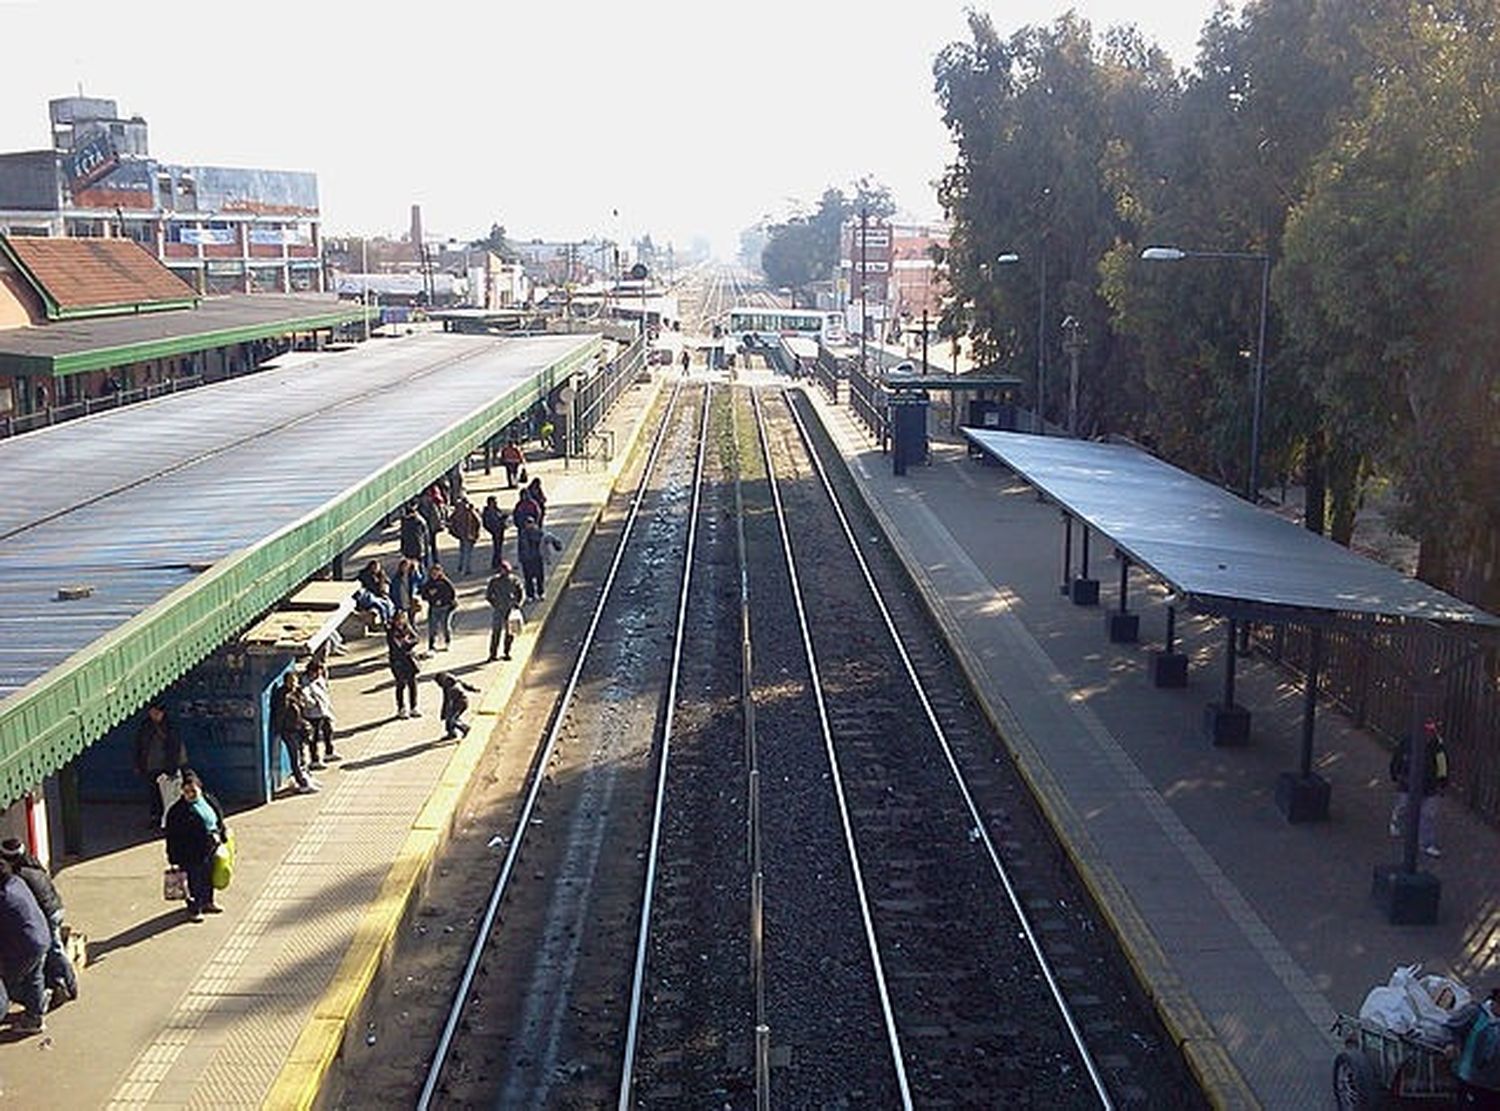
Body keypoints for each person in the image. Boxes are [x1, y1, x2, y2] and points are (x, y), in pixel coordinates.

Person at [0, 839, 76, 1004]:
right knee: (53, 952)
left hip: (47, 915)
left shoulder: (19, 877)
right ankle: (63, 984)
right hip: (55, 908)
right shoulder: (33, 865)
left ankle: (66, 984)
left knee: (53, 952)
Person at [163, 768, 228, 922]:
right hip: (191, 852)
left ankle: (208, 902)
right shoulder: (178, 811)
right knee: (194, 880)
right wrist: (172, 857)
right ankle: (194, 909)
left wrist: (222, 833)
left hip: (211, 846)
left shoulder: (208, 799)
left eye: (193, 791)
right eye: (186, 792)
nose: (190, 794)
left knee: (208, 876)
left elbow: (218, 817)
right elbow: (172, 836)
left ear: (199, 788)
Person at [0, 855, 51, 1032]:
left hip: (26, 946)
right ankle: (35, 1015)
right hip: (41, 936)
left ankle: (33, 1005)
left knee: (8, 983)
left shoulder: (4, 897)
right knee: (33, 978)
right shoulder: (16, 882)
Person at [1390, 718, 1449, 857]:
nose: (1429, 736)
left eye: (1431, 732)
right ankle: (1397, 823)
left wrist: (1442, 782)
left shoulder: (1437, 746)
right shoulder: (1407, 742)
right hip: (1408, 782)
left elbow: (1442, 765)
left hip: (1429, 785)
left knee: (1428, 815)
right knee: (1403, 806)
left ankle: (1426, 843)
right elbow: (1397, 758)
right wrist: (1395, 773)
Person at [135, 703, 187, 827]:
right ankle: (156, 817)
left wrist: (173, 766)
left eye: (156, 712)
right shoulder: (146, 726)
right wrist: (139, 764)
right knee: (154, 793)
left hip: (166, 765)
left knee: (169, 794)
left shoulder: (169, 727)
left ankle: (169, 818)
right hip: (151, 766)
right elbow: (139, 746)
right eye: (152, 712)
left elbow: (175, 747)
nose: (154, 715)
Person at [272, 671, 318, 795]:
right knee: (295, 758)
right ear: (286, 681)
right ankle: (302, 782)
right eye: (291, 681)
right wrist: (280, 728)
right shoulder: (283, 695)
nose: (294, 683)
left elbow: (303, 707)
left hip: (298, 728)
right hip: (289, 730)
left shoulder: (296, 692)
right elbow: (282, 714)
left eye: (295, 680)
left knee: (302, 754)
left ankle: (306, 777)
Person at [301, 657, 338, 768]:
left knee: (328, 731)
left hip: (324, 711)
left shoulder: (319, 678)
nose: (319, 674)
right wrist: (313, 704)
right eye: (317, 672)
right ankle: (315, 760)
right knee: (314, 737)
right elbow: (306, 698)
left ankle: (329, 752)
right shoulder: (305, 683)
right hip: (313, 714)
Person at [516, 518, 563, 603]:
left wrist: (555, 547)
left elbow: (550, 538)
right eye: (527, 523)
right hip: (527, 560)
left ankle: (540, 593)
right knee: (528, 578)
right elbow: (520, 547)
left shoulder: (539, 533)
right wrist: (521, 558)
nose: (529, 525)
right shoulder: (523, 534)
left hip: (537, 558)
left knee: (539, 577)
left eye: (530, 523)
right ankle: (530, 595)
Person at [486, 560, 525, 661]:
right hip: (499, 609)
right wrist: (495, 604)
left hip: (510, 610)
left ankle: (506, 652)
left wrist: (517, 604)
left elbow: (521, 593)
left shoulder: (514, 580)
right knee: (496, 632)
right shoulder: (494, 581)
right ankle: (493, 654)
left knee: (510, 632)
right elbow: (489, 595)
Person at [386, 611, 422, 718]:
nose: (401, 622)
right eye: (399, 619)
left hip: (409, 660)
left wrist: (407, 642)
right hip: (397, 661)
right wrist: (407, 642)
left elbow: (416, 638)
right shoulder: (391, 631)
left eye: (403, 619)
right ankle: (401, 708)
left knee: (412, 684)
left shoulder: (407, 628)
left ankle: (413, 707)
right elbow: (398, 647)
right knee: (401, 684)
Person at [420, 563, 458, 652]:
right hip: (434, 607)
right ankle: (431, 644)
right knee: (432, 627)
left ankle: (447, 641)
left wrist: (444, 600)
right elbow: (424, 595)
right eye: (433, 573)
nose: (434, 575)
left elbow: (452, 594)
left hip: (445, 607)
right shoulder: (428, 583)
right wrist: (430, 595)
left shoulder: (445, 582)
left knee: (445, 625)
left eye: (436, 573)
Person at [434, 672, 480, 740]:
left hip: (459, 704)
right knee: (451, 718)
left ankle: (465, 728)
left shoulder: (450, 689)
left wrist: (444, 712)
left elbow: (448, 702)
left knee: (452, 719)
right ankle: (451, 733)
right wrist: (473, 689)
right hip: (463, 702)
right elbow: (466, 685)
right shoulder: (455, 682)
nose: (439, 685)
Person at [448, 496, 482, 577]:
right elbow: (478, 521)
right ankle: (466, 569)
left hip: (461, 534)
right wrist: (477, 532)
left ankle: (461, 566)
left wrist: (455, 530)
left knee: (462, 551)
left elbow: (451, 519)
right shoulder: (470, 511)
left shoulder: (457, 510)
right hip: (469, 534)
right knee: (467, 553)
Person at [354, 559, 395, 624]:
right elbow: (367, 586)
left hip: (381, 595)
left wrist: (385, 589)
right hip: (372, 595)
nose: (376, 569)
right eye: (374, 567)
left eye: (377, 567)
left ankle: (388, 617)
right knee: (381, 605)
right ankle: (386, 619)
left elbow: (388, 584)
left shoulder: (382, 575)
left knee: (388, 604)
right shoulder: (365, 575)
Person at [418, 484, 447, 567]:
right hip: (431, 527)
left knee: (425, 545)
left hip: (426, 527)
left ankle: (427, 562)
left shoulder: (421, 504)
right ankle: (435, 560)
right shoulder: (432, 502)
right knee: (433, 545)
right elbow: (436, 515)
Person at [389, 556, 425, 621]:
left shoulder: (413, 575)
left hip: (410, 599)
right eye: (403, 566)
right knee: (401, 618)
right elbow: (393, 589)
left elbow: (421, 580)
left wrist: (417, 569)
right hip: (401, 598)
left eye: (406, 566)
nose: (405, 568)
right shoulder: (397, 578)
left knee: (411, 617)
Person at [482, 496, 509, 571]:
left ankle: (498, 562)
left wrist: (503, 520)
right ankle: (496, 563)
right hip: (495, 531)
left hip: (500, 530)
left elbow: (499, 517)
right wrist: (492, 530)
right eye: (494, 502)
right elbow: (487, 523)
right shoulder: (488, 512)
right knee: (497, 548)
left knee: (499, 548)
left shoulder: (497, 510)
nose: (496, 503)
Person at [399, 504, 429, 571]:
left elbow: (403, 536)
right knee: (420, 565)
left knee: (410, 567)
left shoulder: (405, 522)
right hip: (418, 547)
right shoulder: (420, 521)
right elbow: (425, 536)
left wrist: (402, 548)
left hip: (409, 548)